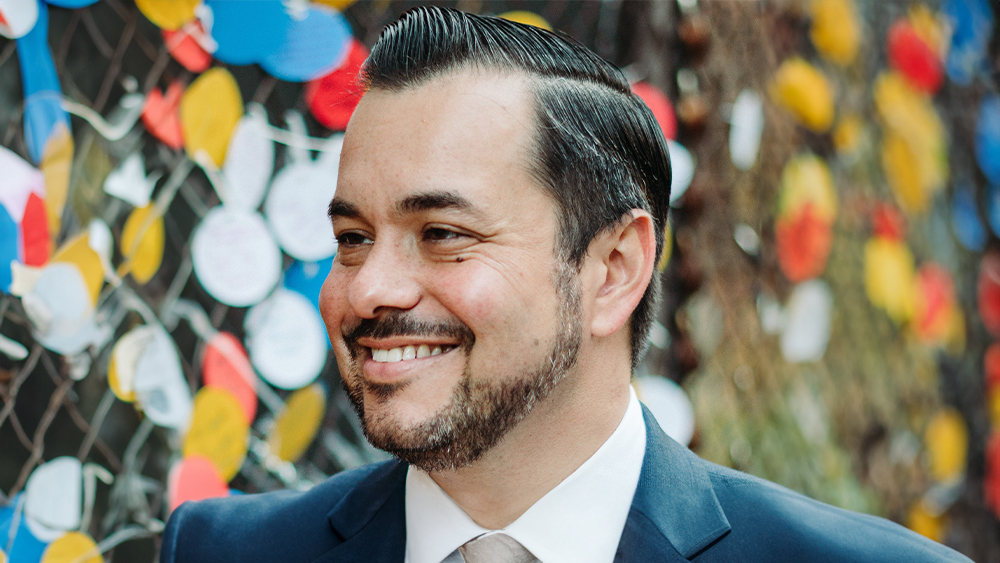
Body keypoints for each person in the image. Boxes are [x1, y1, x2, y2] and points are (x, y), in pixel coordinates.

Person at [161, 6, 971, 563]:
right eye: (351, 238)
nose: (368, 288)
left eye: (442, 234)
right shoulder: (220, 551)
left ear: (613, 268)